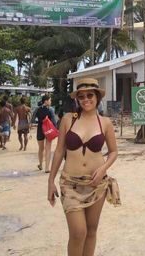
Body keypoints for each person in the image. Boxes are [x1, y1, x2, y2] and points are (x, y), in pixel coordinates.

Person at [48, 78, 118, 256]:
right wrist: (50, 181)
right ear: (77, 99)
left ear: (97, 97)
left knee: (91, 231)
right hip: (70, 183)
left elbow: (113, 152)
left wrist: (103, 169)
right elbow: (58, 151)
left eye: (89, 95)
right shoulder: (68, 119)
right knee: (78, 233)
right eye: (81, 96)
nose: (86, 99)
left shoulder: (105, 123)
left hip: (97, 184)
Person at [32, 95, 57, 172]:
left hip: (40, 129)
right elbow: (54, 122)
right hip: (49, 130)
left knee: (41, 148)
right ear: (46, 101)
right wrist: (55, 129)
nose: (51, 101)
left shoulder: (37, 109)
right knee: (48, 148)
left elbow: (32, 119)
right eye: (50, 100)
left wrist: (36, 123)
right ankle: (47, 168)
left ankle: (40, 164)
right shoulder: (51, 110)